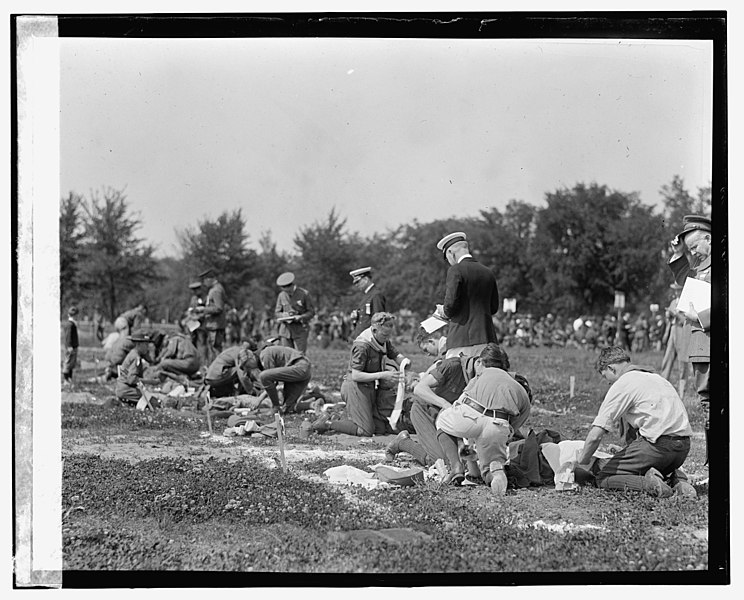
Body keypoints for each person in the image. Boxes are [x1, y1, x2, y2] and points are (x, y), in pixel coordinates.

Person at [576, 346, 697, 498]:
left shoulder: (623, 383)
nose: (609, 384)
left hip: (657, 448)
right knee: (648, 466)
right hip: (682, 449)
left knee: (603, 477)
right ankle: (678, 480)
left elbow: (595, 435)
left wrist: (583, 460)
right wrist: (628, 450)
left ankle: (651, 485)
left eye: (606, 378)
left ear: (611, 368)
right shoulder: (656, 378)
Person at [434, 345, 531, 494]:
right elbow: (516, 423)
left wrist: (464, 441)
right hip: (499, 423)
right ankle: (495, 473)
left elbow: (460, 404)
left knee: (442, 419)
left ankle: (456, 467)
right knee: (489, 466)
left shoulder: (479, 376)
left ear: (480, 362)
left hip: (472, 414)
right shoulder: (519, 387)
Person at [313, 312, 409, 437]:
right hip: (355, 386)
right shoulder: (362, 345)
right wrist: (383, 375)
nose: (387, 337)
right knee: (365, 430)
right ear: (374, 330)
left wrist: (405, 363)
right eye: (384, 334)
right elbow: (356, 375)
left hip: (368, 386)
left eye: (389, 334)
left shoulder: (383, 340)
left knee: (379, 428)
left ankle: (339, 416)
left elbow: (396, 356)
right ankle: (328, 423)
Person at [668, 214, 712, 466]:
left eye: (695, 247)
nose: (693, 253)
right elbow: (685, 279)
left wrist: (700, 316)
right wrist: (677, 253)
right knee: (707, 405)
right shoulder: (701, 269)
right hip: (700, 348)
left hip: (710, 343)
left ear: (709, 239)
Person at [434, 232, 500, 359]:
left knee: (457, 377)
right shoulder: (488, 272)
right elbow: (493, 307)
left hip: (461, 338)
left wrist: (443, 311)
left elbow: (450, 306)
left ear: (450, 253)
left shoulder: (455, 270)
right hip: (487, 339)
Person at [254, 342, 312, 414]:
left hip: (299, 367)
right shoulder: (268, 354)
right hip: (304, 371)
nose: (248, 369)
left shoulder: (265, 354)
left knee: (263, 376)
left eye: (246, 366)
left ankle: (275, 407)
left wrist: (260, 399)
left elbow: (271, 380)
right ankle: (313, 405)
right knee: (288, 409)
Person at [660, 282, 692, 397]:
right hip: (672, 330)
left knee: (682, 361)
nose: (676, 292)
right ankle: (662, 389)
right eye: (675, 290)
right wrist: (668, 315)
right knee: (667, 359)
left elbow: (686, 321)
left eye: (679, 289)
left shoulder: (687, 302)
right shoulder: (673, 302)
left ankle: (682, 392)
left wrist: (676, 314)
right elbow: (669, 320)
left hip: (681, 331)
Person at [274, 272, 315, 353]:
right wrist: (283, 315)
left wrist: (301, 317)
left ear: (292, 285)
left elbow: (311, 312)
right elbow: (277, 312)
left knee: (299, 355)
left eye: (289, 291)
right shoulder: (281, 295)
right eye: (284, 290)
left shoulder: (304, 294)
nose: (287, 293)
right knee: (287, 356)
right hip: (285, 331)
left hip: (300, 330)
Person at [196, 269, 226, 365]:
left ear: (210, 279)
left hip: (216, 325)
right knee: (213, 351)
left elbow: (218, 308)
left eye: (204, 280)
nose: (204, 283)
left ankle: (218, 373)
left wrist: (203, 310)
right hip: (212, 325)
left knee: (216, 351)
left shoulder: (216, 290)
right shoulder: (214, 289)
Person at [115, 333, 156, 404]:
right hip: (126, 390)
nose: (147, 347)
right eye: (145, 345)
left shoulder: (132, 353)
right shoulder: (136, 357)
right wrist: (150, 382)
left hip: (122, 388)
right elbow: (132, 379)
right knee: (152, 401)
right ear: (138, 344)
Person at [348, 267, 387, 339]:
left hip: (370, 340)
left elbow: (378, 321)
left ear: (366, 279)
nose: (356, 285)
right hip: (363, 338)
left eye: (358, 282)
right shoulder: (367, 295)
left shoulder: (376, 295)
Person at [61, 306, 79, 386]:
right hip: (70, 347)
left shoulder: (73, 324)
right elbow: (68, 336)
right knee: (67, 362)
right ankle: (65, 380)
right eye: (74, 315)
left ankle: (69, 379)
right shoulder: (69, 324)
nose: (75, 316)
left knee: (71, 363)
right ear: (69, 315)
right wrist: (69, 346)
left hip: (74, 346)